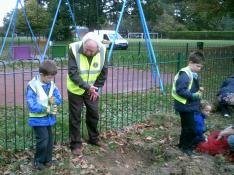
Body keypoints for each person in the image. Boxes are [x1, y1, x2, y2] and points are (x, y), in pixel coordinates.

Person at [67, 32, 108, 155]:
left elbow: (103, 72)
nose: (88, 53)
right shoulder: (73, 49)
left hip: (92, 90)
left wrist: (96, 88)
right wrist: (87, 87)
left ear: (98, 48)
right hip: (76, 89)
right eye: (86, 50)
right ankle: (75, 144)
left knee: (94, 113)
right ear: (83, 45)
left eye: (92, 51)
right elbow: (72, 72)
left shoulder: (103, 50)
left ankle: (93, 138)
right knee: (75, 117)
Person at [26, 60, 62, 170]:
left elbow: (58, 97)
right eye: (49, 77)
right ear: (42, 75)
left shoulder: (51, 84)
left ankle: (48, 160)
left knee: (50, 140)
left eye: (52, 77)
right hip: (37, 119)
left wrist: (54, 100)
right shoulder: (32, 85)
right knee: (43, 140)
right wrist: (46, 109)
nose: (51, 80)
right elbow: (32, 105)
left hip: (48, 118)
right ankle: (38, 161)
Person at [172, 51, 205, 156]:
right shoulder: (185, 74)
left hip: (188, 105)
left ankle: (182, 145)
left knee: (186, 127)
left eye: (201, 66)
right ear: (190, 62)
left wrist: (197, 89)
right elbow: (180, 90)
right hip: (185, 106)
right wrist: (193, 95)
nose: (199, 68)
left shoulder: (192, 73)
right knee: (191, 128)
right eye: (198, 66)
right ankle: (187, 148)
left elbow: (189, 87)